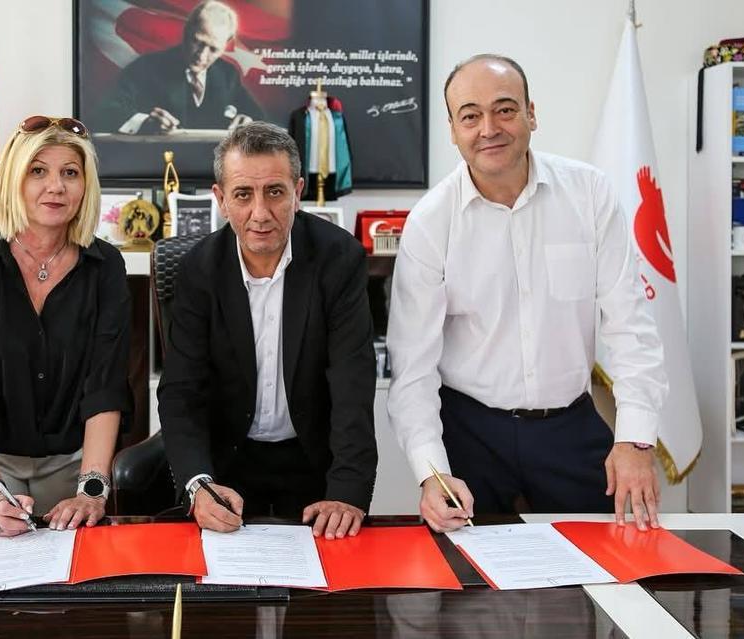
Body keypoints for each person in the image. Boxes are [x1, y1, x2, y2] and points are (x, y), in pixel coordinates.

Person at [387, 54, 668, 533]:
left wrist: (636, 440)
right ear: (453, 130)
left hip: (570, 426)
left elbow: (630, 325)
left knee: (609, 561)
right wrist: (432, 472)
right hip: (470, 432)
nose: (489, 129)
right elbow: (412, 366)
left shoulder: (590, 193)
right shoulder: (431, 221)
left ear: (531, 114)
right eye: (470, 116)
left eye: (505, 110)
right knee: (464, 571)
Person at [158, 121, 377, 539]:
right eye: (243, 194)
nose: (260, 213)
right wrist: (198, 484)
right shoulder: (199, 269)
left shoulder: (338, 258)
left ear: (297, 192)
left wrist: (348, 490)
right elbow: (181, 392)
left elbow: (353, 379)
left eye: (275, 192)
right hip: (225, 466)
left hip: (315, 461)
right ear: (221, 200)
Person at [0, 116, 131, 537]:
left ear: (85, 186)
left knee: (70, 577)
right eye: (38, 171)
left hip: (71, 464)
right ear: (14, 180)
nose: (56, 186)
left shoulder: (106, 267)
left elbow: (105, 388)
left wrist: (92, 490)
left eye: (70, 173)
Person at [92, 0, 263, 135]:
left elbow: (262, 119)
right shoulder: (145, 68)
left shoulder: (227, 74)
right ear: (187, 31)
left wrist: (249, 123)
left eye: (213, 49)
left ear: (226, 44)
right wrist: (144, 122)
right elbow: (106, 113)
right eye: (197, 42)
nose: (202, 55)